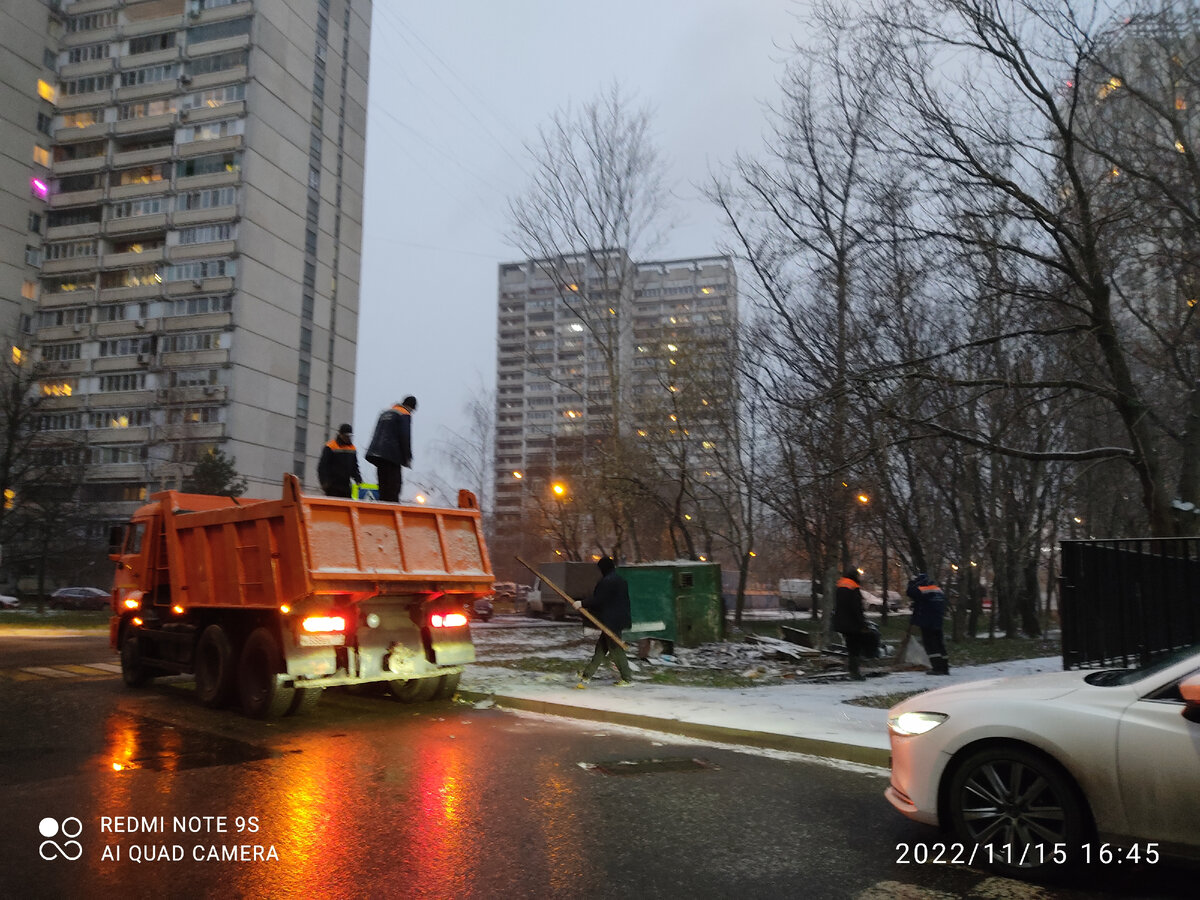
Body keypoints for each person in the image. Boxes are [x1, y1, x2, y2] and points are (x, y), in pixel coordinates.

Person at [574, 556, 634, 688]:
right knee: (601, 649)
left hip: (611, 621)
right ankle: (587, 675)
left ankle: (627, 678)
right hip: (618, 619)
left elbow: (599, 600)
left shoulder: (607, 582)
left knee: (615, 649)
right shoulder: (620, 580)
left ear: (603, 568)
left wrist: (582, 603)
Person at [366, 396, 416, 502]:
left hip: (377, 454)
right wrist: (407, 457)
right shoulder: (404, 414)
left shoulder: (386, 413)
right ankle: (392, 510)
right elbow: (405, 436)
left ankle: (384, 509)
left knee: (383, 486)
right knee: (393, 487)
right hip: (392, 455)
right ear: (411, 407)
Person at [908, 572, 950, 675]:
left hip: (927, 621)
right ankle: (944, 667)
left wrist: (911, 583)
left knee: (931, 645)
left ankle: (937, 668)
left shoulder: (922, 589)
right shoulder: (938, 589)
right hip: (937, 621)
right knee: (939, 644)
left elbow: (910, 592)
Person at [833, 568, 869, 681]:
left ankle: (851, 669)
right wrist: (863, 624)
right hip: (853, 623)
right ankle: (855, 672)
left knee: (850, 646)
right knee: (855, 648)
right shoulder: (853, 587)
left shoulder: (840, 585)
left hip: (842, 622)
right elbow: (856, 608)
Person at [317, 423, 361, 498]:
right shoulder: (330, 447)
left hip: (346, 485)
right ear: (340, 434)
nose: (347, 438)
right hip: (332, 486)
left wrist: (357, 478)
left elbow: (354, 466)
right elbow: (323, 466)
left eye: (349, 436)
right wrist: (324, 482)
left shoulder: (352, 449)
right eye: (345, 436)